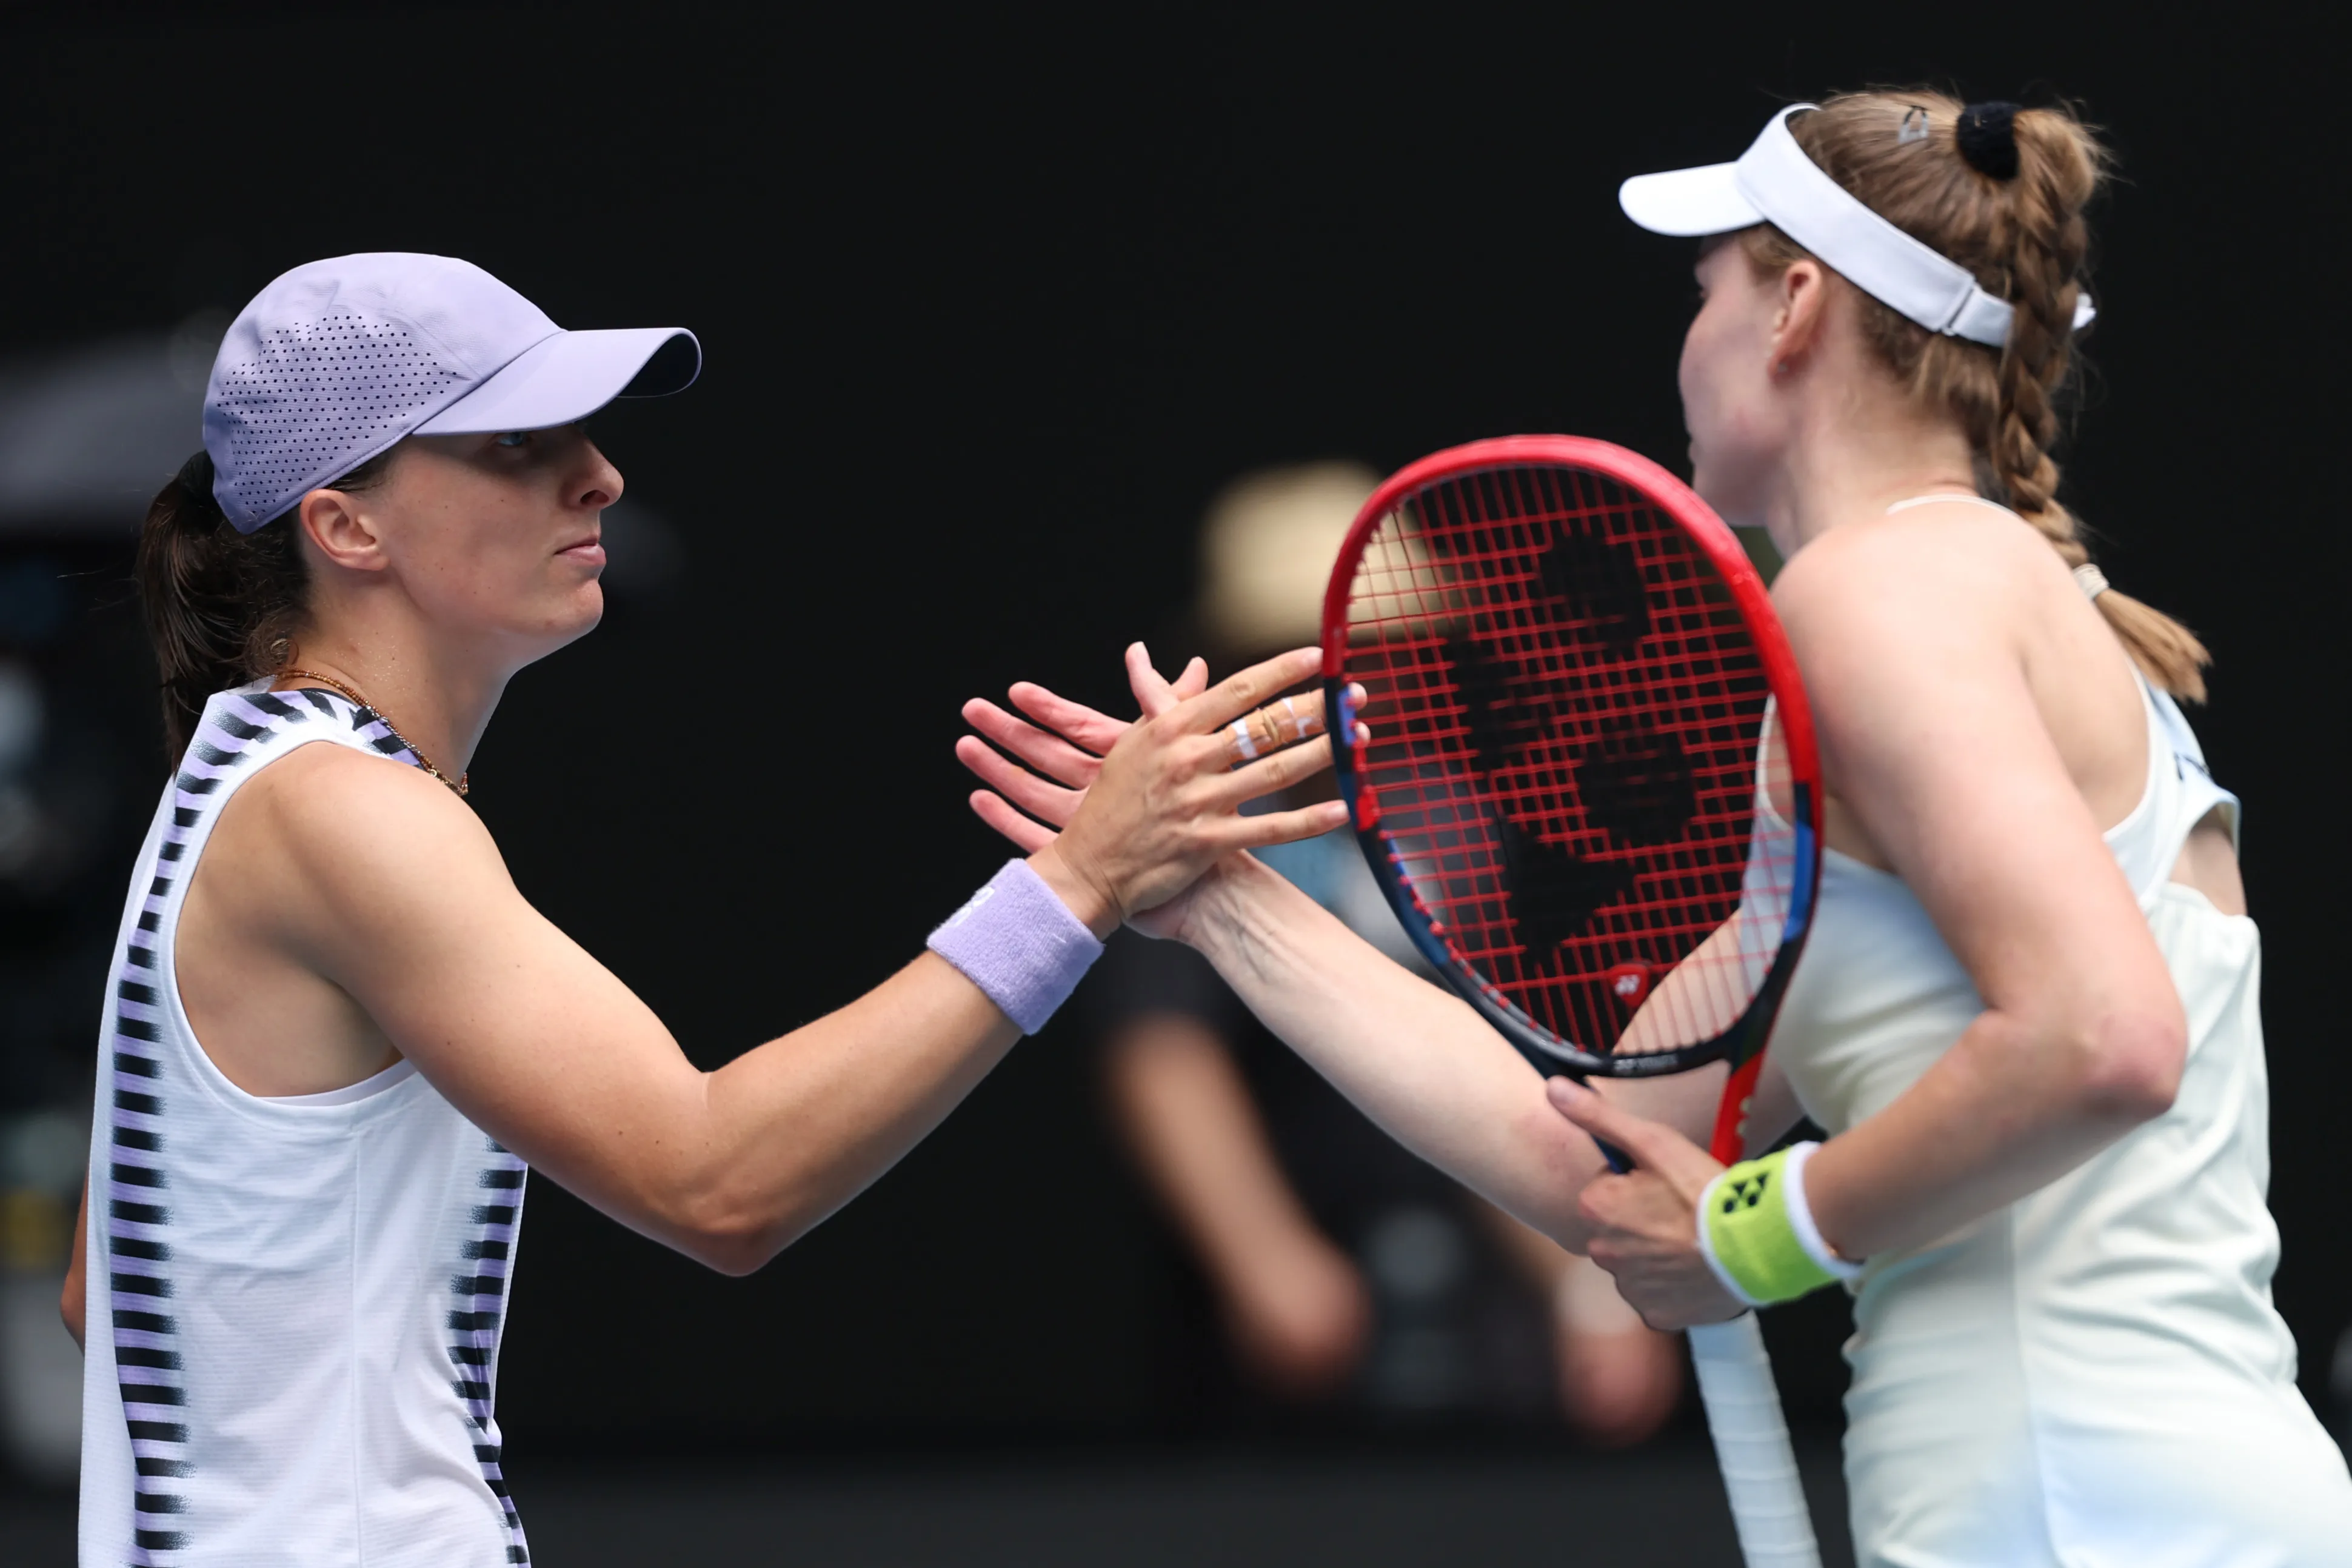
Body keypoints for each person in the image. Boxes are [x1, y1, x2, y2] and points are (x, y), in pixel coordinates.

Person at [956, 92, 2352, 1563]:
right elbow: (1603, 1160)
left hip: (2076, 1516)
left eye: (1705, 289)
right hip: (2136, 1500)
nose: (1684, 343)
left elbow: (2098, 1040)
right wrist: (1210, 894)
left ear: (1793, 306)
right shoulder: (2009, 615)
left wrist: (1758, 1232)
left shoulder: (1876, 599)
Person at [62, 252, 1345, 1566]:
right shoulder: (344, 809)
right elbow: (718, 1184)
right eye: (515, 442)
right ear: (347, 527)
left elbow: (99, 1286)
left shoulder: (258, 782)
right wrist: (1078, 883)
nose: (598, 473)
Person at [1074, 463, 1682, 1438]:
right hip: (1277, 1336)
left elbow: (1490, 1066)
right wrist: (1264, 1255)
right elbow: (1163, 1053)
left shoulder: (1455, 818)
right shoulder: (1194, 826)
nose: (1368, 673)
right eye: (1316, 650)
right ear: (1242, 655)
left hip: (1474, 1318)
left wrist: (1585, 1290)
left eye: (1393, 646)